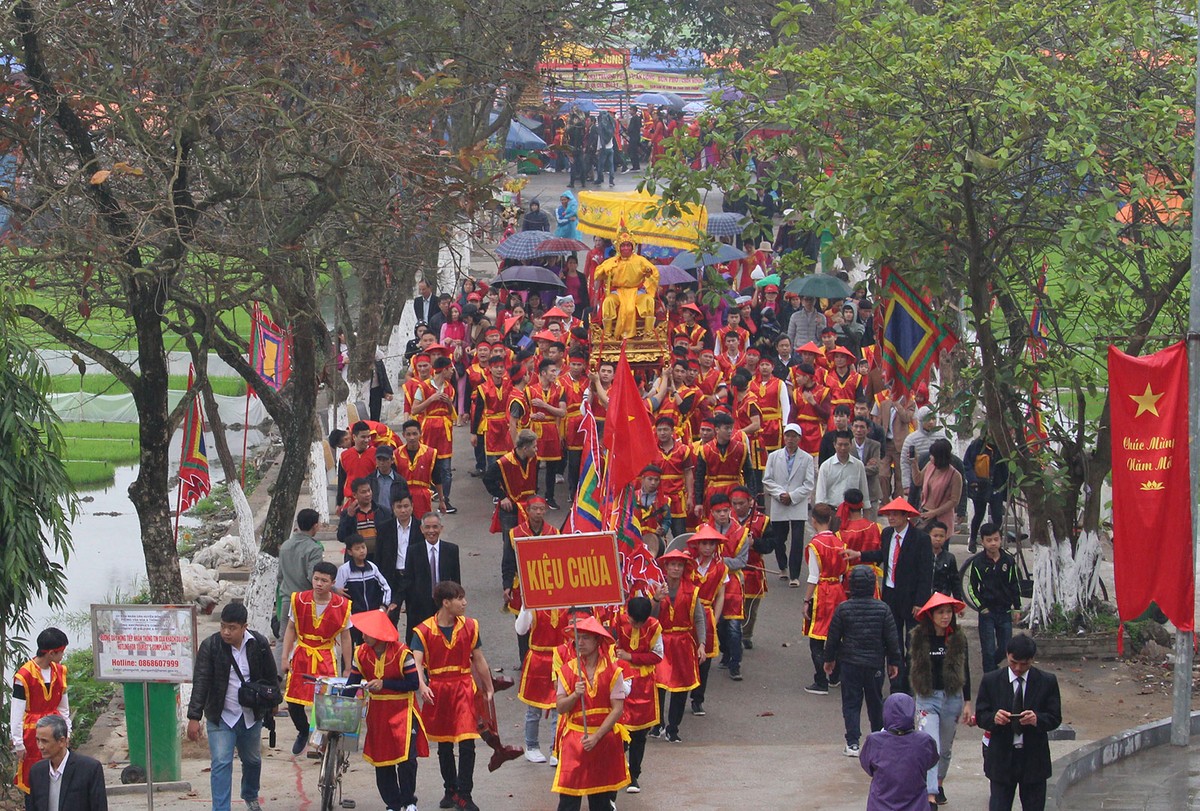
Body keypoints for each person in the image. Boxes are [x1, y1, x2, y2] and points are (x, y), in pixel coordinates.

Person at [187, 603, 280, 811]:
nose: (226, 632)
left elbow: (270, 676)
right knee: (221, 763)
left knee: (253, 761)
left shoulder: (259, 644)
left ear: (244, 627)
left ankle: (250, 794)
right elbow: (201, 682)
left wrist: (274, 703)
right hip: (221, 716)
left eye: (232, 628)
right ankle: (221, 808)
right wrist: (194, 717)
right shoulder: (211, 646)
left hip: (250, 716)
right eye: (223, 626)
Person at [412, 581, 494, 811]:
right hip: (438, 689)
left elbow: (479, 659)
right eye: (459, 598)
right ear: (446, 603)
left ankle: (465, 794)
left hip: (464, 687)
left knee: (468, 742)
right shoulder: (423, 630)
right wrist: (422, 685)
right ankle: (450, 790)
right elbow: (416, 662)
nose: (464, 603)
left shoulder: (470, 626)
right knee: (445, 744)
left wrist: (488, 686)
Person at [845, 498, 933, 694]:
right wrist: (859, 554)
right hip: (890, 595)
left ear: (905, 516)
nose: (891, 518)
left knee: (912, 644)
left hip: (911, 599)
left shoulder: (921, 539)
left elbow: (925, 573)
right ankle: (896, 687)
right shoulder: (887, 534)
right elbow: (882, 555)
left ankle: (910, 686)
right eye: (889, 514)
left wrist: (920, 602)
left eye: (895, 515)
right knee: (893, 643)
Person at [344, 610, 428, 811]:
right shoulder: (360, 653)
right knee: (382, 760)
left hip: (403, 711)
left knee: (407, 759)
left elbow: (413, 683)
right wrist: (339, 700)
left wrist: (385, 684)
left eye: (367, 633)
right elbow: (352, 683)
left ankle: (409, 801)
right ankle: (392, 803)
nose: (363, 636)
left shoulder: (402, 653)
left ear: (379, 635)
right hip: (378, 713)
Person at [551, 616, 631, 808]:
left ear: (597, 641)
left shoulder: (613, 671)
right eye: (577, 637)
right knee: (568, 801)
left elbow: (617, 709)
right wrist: (574, 695)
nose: (580, 642)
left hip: (603, 741)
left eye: (585, 638)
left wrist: (596, 737)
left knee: (601, 801)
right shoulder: (567, 670)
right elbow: (560, 707)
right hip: (574, 742)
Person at [974, 635, 1062, 811]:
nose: (1018, 668)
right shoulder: (991, 680)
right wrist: (994, 718)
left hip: (1033, 759)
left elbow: (1055, 717)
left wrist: (1037, 719)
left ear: (1032, 660)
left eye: (1024, 664)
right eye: (1013, 663)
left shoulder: (1047, 681)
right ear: (1007, 655)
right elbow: (981, 715)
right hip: (1002, 758)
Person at [824, 566, 901, 758]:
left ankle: (852, 743)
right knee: (875, 702)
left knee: (851, 702)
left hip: (850, 663)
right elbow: (892, 639)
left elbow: (833, 638)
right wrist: (894, 661)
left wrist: (829, 659)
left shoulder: (843, 609)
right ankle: (878, 738)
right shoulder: (883, 609)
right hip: (875, 664)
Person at [281, 561, 352, 755]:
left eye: (324, 581)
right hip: (302, 653)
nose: (319, 584)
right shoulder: (299, 600)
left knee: (324, 701)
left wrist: (348, 667)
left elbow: (346, 637)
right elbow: (290, 629)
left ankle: (320, 740)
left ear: (333, 583)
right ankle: (303, 730)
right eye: (316, 579)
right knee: (293, 700)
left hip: (325, 655)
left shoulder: (342, 606)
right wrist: (284, 657)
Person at [910, 592, 973, 808]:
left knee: (945, 749)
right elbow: (914, 668)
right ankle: (930, 794)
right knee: (931, 746)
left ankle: (938, 783)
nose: (946, 616)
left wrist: (967, 701)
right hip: (927, 698)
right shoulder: (919, 637)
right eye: (941, 612)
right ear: (931, 615)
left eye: (949, 612)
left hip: (952, 698)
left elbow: (965, 669)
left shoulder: (958, 638)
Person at [11, 628, 70, 804]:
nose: (62, 656)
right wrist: (18, 743)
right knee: (33, 776)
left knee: (59, 771)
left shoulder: (60, 671)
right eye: (61, 652)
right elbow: (17, 711)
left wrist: (68, 731)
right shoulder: (24, 676)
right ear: (51, 653)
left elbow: (64, 707)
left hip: (56, 729)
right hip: (33, 734)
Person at [652, 549, 704, 743]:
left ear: (684, 568)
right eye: (672, 565)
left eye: (679, 565)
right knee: (658, 684)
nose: (675, 568)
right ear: (666, 567)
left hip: (683, 643)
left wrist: (702, 644)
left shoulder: (692, 591)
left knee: (681, 687)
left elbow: (699, 619)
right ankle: (657, 723)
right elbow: (650, 617)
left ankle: (673, 727)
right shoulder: (656, 588)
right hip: (661, 642)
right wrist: (656, 599)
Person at [484, 429, 539, 610]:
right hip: (511, 510)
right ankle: (508, 581)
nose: (536, 450)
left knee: (532, 541)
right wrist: (502, 497)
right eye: (534, 447)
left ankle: (529, 576)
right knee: (510, 545)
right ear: (524, 448)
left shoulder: (533, 459)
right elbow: (487, 479)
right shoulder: (503, 462)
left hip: (529, 507)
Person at [612, 596, 663, 794]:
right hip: (621, 679)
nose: (636, 626)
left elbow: (657, 655)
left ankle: (634, 775)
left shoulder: (654, 627)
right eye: (633, 621)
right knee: (618, 729)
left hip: (643, 684)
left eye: (640, 623)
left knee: (640, 734)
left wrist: (631, 657)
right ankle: (616, 770)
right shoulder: (618, 620)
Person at [859, 693, 940, 811]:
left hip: (881, 805)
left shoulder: (874, 741)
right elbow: (932, 761)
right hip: (916, 805)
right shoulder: (924, 741)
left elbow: (867, 765)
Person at [802, 504, 848, 695]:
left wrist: (806, 600)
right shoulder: (839, 542)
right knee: (836, 634)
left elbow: (813, 576)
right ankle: (836, 675)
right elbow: (843, 572)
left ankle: (821, 680)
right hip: (838, 591)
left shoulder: (815, 544)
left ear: (813, 520)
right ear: (829, 519)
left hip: (822, 592)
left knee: (816, 638)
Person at [763, 423, 817, 585]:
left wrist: (792, 496)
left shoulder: (806, 458)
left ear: (799, 438)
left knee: (797, 540)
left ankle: (794, 575)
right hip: (779, 502)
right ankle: (782, 566)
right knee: (779, 539)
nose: (790, 439)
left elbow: (809, 483)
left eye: (794, 436)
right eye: (788, 435)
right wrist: (780, 494)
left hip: (797, 503)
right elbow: (767, 480)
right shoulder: (774, 456)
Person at [966, 523, 1023, 673]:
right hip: (987, 612)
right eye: (989, 540)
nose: (993, 543)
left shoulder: (1008, 561)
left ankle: (993, 667)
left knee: (1006, 647)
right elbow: (972, 588)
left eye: (996, 539)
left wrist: (1017, 607)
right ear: (982, 542)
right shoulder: (977, 563)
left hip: (1005, 610)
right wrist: (981, 607)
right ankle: (989, 677)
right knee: (988, 649)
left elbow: (1014, 584)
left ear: (1001, 539)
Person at [403, 512, 463, 643]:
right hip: (420, 605)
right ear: (421, 529)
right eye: (427, 527)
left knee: (444, 640)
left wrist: (457, 601)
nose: (431, 531)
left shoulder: (451, 550)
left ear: (441, 528)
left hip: (445, 604)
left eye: (435, 527)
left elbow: (456, 580)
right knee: (421, 641)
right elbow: (408, 579)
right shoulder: (413, 551)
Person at [27, 715, 107, 811]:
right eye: (38, 740)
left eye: (45, 741)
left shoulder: (89, 769)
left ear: (61, 741)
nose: (40, 746)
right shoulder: (37, 772)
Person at [592, 230, 659, 340]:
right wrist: (605, 271)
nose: (626, 248)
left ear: (632, 247)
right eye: (623, 245)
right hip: (618, 292)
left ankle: (648, 333)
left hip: (636, 292)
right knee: (608, 301)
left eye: (628, 245)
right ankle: (608, 334)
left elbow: (654, 273)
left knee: (648, 300)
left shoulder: (640, 260)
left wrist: (648, 273)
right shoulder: (612, 261)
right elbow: (597, 274)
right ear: (618, 247)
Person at [335, 534, 395, 646]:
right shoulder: (344, 570)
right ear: (350, 552)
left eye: (363, 547)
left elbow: (386, 587)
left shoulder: (372, 568)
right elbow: (338, 594)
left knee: (369, 645)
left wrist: (384, 606)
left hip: (371, 616)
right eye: (357, 549)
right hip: (353, 617)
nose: (362, 551)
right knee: (351, 644)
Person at [375, 487, 417, 623]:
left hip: (413, 577)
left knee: (415, 617)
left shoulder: (420, 528)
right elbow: (379, 555)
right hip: (392, 577)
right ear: (393, 508)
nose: (403, 510)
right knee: (390, 618)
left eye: (406, 506)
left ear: (412, 506)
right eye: (399, 507)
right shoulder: (384, 528)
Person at [964, 433, 1009, 553]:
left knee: (997, 516)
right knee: (979, 514)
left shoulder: (1001, 445)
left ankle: (997, 542)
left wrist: (1008, 488)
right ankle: (973, 539)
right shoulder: (976, 445)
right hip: (980, 485)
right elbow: (967, 465)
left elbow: (1006, 467)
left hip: (997, 486)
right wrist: (973, 480)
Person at [815, 429, 871, 512]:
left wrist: (866, 513)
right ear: (834, 445)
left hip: (853, 512)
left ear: (851, 444)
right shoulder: (826, 466)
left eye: (846, 445)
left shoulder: (858, 465)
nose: (843, 448)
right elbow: (820, 494)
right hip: (832, 511)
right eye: (840, 444)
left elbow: (864, 491)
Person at [337, 477, 390, 561]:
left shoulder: (383, 512)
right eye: (363, 492)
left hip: (378, 558)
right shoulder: (347, 513)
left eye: (369, 490)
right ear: (355, 495)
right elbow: (341, 537)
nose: (368, 494)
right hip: (355, 560)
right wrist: (349, 517)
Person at [901, 407, 945, 507]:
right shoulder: (911, 439)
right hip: (917, 481)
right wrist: (906, 485)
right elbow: (905, 462)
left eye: (933, 418)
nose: (931, 422)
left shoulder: (942, 437)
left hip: (938, 481)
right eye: (927, 419)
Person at [920, 438, 963, 531]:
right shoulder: (930, 466)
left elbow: (954, 501)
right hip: (925, 512)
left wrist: (935, 512)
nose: (930, 457)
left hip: (942, 517)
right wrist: (913, 464)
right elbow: (918, 481)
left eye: (933, 455)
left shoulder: (955, 475)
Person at [929, 520, 963, 600]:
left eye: (941, 536)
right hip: (923, 598)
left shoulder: (949, 558)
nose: (938, 539)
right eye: (935, 536)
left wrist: (958, 600)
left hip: (942, 598)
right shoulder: (922, 555)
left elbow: (955, 581)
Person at [368, 349, 394, 422]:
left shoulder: (378, 360)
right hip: (363, 391)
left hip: (375, 390)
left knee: (375, 415)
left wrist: (386, 392)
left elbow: (383, 376)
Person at [625, 105, 642, 171]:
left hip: (634, 137)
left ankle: (635, 166)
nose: (630, 111)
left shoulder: (634, 118)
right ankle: (636, 165)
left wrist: (628, 130)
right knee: (634, 151)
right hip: (636, 137)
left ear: (634, 110)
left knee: (632, 151)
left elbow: (631, 128)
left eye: (631, 110)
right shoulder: (637, 118)